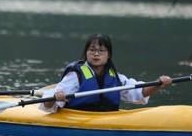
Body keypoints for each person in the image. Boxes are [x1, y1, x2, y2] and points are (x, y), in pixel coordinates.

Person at [41, 33, 172, 113]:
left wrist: (158, 84)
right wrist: (55, 98)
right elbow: (48, 104)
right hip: (78, 118)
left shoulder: (114, 76)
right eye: (92, 50)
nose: (96, 53)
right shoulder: (76, 76)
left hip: (107, 118)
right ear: (86, 53)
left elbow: (138, 93)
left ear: (108, 55)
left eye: (101, 50)